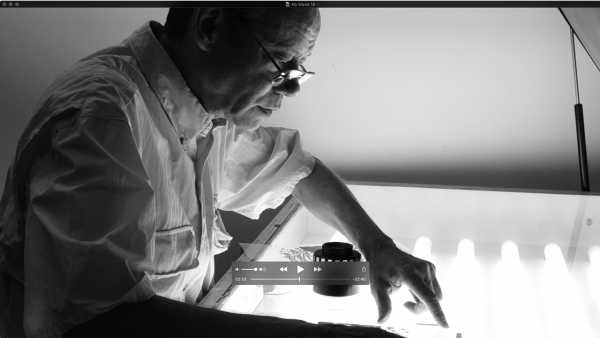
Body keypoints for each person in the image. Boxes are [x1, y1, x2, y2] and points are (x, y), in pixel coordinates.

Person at [0, 7, 447, 338]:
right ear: (209, 27)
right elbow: (103, 323)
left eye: (298, 73)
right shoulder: (104, 120)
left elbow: (300, 171)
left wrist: (377, 246)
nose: (290, 89)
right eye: (282, 66)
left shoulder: (208, 117)